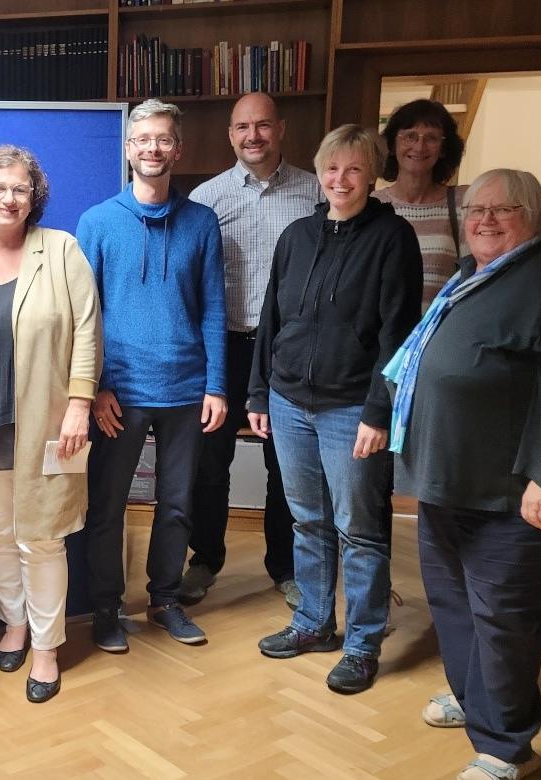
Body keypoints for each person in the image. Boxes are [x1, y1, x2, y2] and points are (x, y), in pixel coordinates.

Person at [386, 169, 541, 780]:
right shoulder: (478, 273)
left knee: (501, 614)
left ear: (538, 216)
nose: (486, 219)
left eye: (505, 209)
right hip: (456, 479)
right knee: (451, 599)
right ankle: (480, 701)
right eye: (476, 209)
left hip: (515, 490)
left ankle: (504, 747)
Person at [247, 124, 421, 695]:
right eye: (331, 168)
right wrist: (258, 393)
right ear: (318, 173)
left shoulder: (393, 239)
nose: (340, 179)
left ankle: (363, 643)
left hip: (353, 408)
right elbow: (271, 322)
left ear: (372, 175)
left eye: (353, 169)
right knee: (308, 519)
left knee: (360, 530)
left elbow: (398, 335)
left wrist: (379, 412)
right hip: (289, 400)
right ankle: (314, 623)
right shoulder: (297, 236)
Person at [0, 145, 101, 703]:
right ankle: (13, 623)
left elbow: (88, 329)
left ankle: (45, 647)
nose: (8, 198)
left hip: (48, 424)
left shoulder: (61, 251)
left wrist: (81, 403)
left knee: (42, 537)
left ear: (33, 196)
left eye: (19, 189)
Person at [78, 99, 227, 652]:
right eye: (143, 140)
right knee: (107, 506)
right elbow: (84, 314)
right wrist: (95, 388)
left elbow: (214, 305)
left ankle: (165, 599)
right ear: (129, 148)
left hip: (187, 389)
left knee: (179, 504)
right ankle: (105, 607)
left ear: (177, 149)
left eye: (163, 139)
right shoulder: (97, 222)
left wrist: (216, 385)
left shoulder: (201, 222)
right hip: (121, 392)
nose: (153, 149)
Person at [185, 92, 320, 609]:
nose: (253, 136)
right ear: (230, 134)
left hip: (288, 350)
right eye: (243, 127)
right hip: (223, 347)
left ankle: (284, 566)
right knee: (207, 460)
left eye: (262, 125)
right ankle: (205, 558)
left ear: (281, 129)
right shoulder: (206, 199)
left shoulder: (314, 194)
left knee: (285, 462)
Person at [374, 99, 468, 308]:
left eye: (432, 138)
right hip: (383, 337)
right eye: (410, 136)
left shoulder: (462, 204)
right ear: (392, 144)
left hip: (439, 335)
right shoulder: (372, 206)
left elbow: (473, 277)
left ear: (443, 149)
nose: (419, 146)